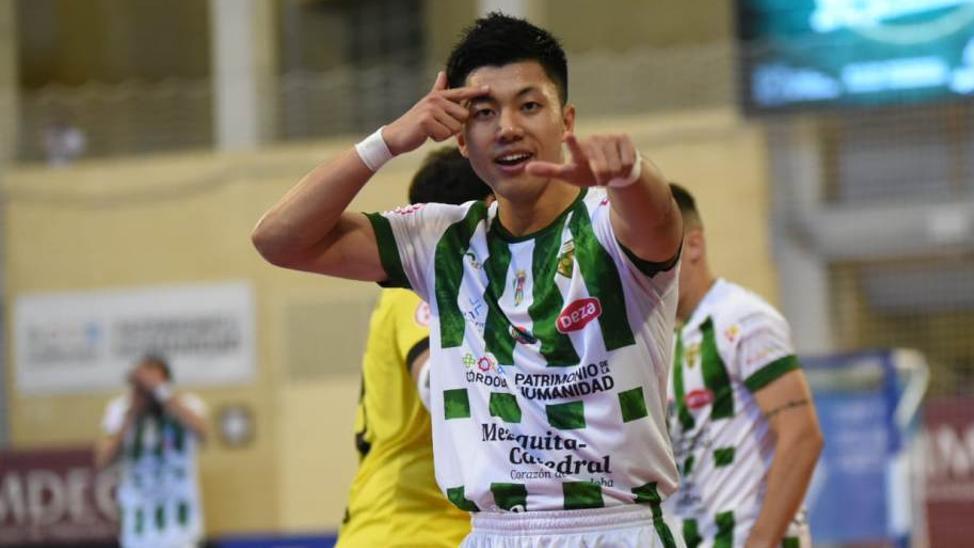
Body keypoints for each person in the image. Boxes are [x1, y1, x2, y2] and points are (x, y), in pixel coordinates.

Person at [251, 13, 684, 548]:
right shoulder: (439, 239)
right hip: (490, 532)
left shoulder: (609, 224)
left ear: (566, 121)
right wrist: (387, 141)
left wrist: (632, 174)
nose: (507, 127)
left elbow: (659, 220)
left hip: (612, 527)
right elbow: (278, 240)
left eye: (529, 105)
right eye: (484, 112)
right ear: (459, 137)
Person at [336, 146, 490, 548]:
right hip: (406, 530)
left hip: (449, 531)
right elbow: (434, 383)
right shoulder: (420, 283)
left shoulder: (483, 289)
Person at [664, 184, 824, 548]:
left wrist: (761, 542)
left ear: (694, 245)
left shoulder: (742, 317)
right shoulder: (665, 340)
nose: (644, 262)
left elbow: (802, 436)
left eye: (656, 246)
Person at [95, 355, 210, 548]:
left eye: (152, 383)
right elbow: (102, 460)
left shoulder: (186, 405)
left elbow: (203, 433)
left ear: (166, 382)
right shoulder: (121, 410)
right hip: (139, 532)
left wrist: (162, 393)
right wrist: (131, 414)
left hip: (181, 532)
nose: (148, 391)